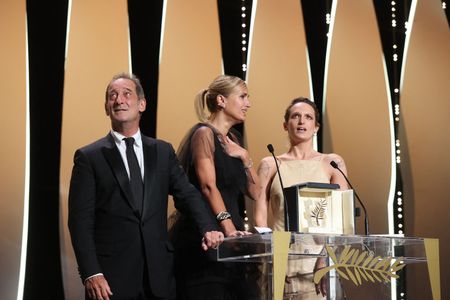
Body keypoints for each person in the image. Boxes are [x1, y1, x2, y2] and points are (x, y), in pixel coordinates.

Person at [68, 73, 223, 300]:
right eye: (113, 96)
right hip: (110, 281)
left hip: (159, 276)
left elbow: (187, 194)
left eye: (126, 94)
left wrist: (208, 226)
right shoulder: (89, 157)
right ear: (106, 107)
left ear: (142, 104)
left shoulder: (162, 151)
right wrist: (91, 272)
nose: (119, 100)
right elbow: (80, 222)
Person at [169, 75, 261, 300]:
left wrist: (246, 157)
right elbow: (208, 186)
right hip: (208, 235)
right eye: (242, 96)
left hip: (232, 235)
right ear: (221, 100)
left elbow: (256, 192)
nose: (248, 103)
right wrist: (228, 231)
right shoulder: (203, 134)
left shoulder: (234, 140)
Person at [254, 97, 349, 299]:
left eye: (308, 117)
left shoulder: (332, 162)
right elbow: (260, 219)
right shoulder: (270, 164)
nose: (301, 121)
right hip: (280, 260)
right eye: (295, 116)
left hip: (318, 264)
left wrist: (326, 258)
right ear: (285, 124)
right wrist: (271, 258)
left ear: (316, 127)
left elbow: (342, 217)